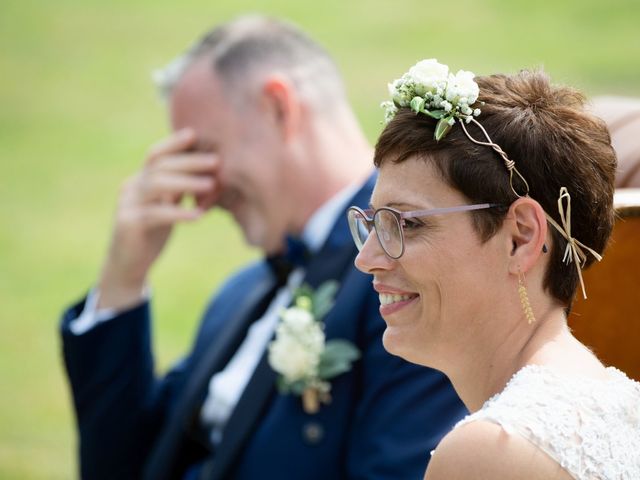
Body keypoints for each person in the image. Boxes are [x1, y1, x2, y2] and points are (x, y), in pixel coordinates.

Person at [59, 18, 467, 480]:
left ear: (278, 107)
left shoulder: (405, 281)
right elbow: (120, 468)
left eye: (204, 152)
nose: (201, 195)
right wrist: (122, 280)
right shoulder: (236, 296)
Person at [348, 59, 640, 479]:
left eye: (407, 224)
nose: (367, 258)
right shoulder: (620, 406)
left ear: (520, 237)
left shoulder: (492, 450)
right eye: (373, 223)